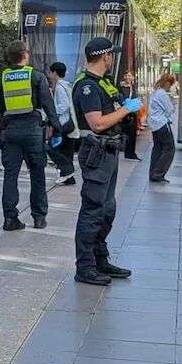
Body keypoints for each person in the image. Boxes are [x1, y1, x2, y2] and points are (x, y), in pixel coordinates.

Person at [73, 37, 142, 286]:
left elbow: (114, 113)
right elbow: (97, 123)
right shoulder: (87, 86)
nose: (112, 59)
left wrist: (126, 106)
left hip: (109, 152)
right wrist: (125, 110)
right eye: (111, 55)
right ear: (106, 56)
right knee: (93, 209)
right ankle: (85, 267)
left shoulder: (105, 84)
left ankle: (100, 259)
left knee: (107, 210)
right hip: (96, 152)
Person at [0, 40, 61, 231]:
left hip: (10, 132)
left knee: (10, 175)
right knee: (37, 174)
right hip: (33, 131)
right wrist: (58, 128)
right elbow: (48, 105)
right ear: (25, 54)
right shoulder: (36, 76)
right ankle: (39, 217)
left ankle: (10, 219)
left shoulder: (2, 79)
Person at [47, 62, 81, 185]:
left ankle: (67, 172)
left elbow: (64, 105)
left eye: (51, 72)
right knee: (67, 151)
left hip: (63, 123)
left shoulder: (60, 87)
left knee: (53, 149)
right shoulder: (67, 85)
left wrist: (52, 112)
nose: (49, 74)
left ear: (55, 73)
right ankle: (69, 178)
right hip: (70, 124)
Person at [148, 73, 177, 182]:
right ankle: (158, 173)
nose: (170, 86)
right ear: (167, 83)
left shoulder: (155, 92)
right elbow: (170, 110)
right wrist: (172, 103)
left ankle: (153, 173)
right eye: (170, 84)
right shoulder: (162, 94)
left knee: (157, 149)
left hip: (154, 125)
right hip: (162, 124)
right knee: (169, 149)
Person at [119, 71, 141, 161]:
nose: (128, 77)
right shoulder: (121, 87)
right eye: (127, 75)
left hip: (132, 112)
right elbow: (120, 98)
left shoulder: (132, 87)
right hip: (124, 111)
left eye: (130, 75)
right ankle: (124, 150)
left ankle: (130, 153)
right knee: (124, 132)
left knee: (132, 133)